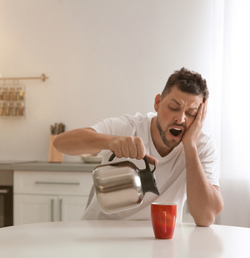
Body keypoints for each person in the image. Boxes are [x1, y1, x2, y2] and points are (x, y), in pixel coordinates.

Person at [53, 67, 223, 227]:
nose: (180, 119)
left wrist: (190, 146)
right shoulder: (128, 127)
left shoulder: (202, 145)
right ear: (157, 103)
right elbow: (61, 143)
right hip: (102, 231)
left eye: (191, 113)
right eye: (173, 107)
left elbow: (205, 217)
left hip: (158, 238)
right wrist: (111, 142)